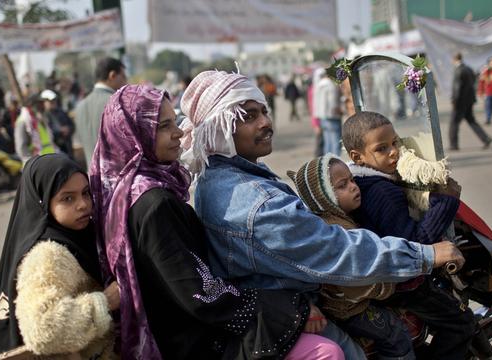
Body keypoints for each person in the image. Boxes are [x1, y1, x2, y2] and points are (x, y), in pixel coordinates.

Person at [181, 70, 465, 359]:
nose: (266, 122)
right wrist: (425, 255)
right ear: (220, 128)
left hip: (288, 303)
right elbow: (335, 250)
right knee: (389, 341)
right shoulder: (255, 202)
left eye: (265, 111)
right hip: (291, 312)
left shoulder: (219, 176)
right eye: (249, 116)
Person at [90, 84, 338, 359]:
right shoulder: (154, 202)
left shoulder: (125, 191)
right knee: (326, 352)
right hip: (191, 340)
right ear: (133, 134)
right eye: (162, 126)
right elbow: (200, 293)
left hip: (177, 327)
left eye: (175, 122)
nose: (178, 132)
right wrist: (290, 309)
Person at [342, 111, 483, 360]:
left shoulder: (360, 181)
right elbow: (416, 245)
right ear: (357, 156)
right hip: (403, 285)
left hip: (379, 278)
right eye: (382, 148)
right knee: (461, 322)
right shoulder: (383, 192)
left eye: (395, 143)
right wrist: (445, 202)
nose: (394, 152)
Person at [0, 154, 118, 359]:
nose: (83, 204)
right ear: (42, 202)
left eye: (86, 193)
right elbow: (43, 329)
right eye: (68, 198)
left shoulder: (79, 236)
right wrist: (105, 302)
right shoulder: (49, 254)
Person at [287, 155, 415, 360]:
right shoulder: (337, 230)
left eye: (352, 180)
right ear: (323, 197)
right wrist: (387, 288)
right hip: (349, 308)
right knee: (395, 334)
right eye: (342, 185)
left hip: (347, 302)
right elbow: (355, 281)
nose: (354, 187)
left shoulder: (336, 218)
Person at [75, 57, 127, 166]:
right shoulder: (117, 102)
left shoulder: (79, 107)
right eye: (123, 76)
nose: (125, 81)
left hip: (92, 177)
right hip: (117, 176)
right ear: (112, 75)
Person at [449, 53, 492, 151]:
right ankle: (486, 138)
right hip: (469, 100)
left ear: (455, 59)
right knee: (471, 120)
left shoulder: (458, 70)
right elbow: (473, 81)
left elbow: (457, 88)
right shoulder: (468, 68)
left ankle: (453, 144)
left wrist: (454, 100)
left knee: (454, 123)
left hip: (460, 102)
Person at [14, 94, 56, 163]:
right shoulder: (23, 121)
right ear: (33, 105)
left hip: (49, 159)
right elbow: (21, 148)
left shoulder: (38, 118)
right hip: (37, 164)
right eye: (40, 103)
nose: (43, 105)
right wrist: (32, 164)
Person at [314, 68, 343, 155]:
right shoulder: (331, 85)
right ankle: (335, 163)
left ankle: (327, 164)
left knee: (328, 142)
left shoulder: (318, 85)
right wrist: (340, 111)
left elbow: (316, 102)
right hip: (332, 117)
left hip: (322, 117)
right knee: (336, 142)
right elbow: (333, 103)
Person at [41, 89, 75, 158]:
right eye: (50, 101)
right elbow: (47, 133)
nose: (53, 102)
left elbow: (72, 125)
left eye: (54, 100)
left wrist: (69, 129)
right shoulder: (43, 117)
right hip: (56, 150)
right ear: (44, 102)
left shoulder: (61, 112)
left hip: (68, 146)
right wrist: (60, 131)